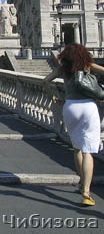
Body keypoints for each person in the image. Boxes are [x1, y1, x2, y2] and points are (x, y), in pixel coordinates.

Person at [43, 44, 104, 206]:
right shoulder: (87, 65)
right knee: (88, 152)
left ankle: (81, 182)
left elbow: (46, 81)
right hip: (88, 107)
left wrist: (53, 97)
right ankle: (86, 191)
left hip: (70, 107)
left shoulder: (63, 68)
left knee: (77, 147)